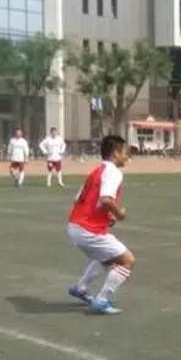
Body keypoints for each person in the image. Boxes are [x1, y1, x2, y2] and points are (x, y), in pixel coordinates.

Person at [67, 135, 134, 315]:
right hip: (88, 230)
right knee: (127, 261)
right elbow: (105, 199)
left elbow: (80, 199)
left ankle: (81, 288)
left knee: (104, 256)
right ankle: (102, 300)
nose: (127, 156)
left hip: (75, 226)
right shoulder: (113, 172)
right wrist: (119, 213)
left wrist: (105, 216)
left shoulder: (96, 171)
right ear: (115, 153)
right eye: (125, 152)